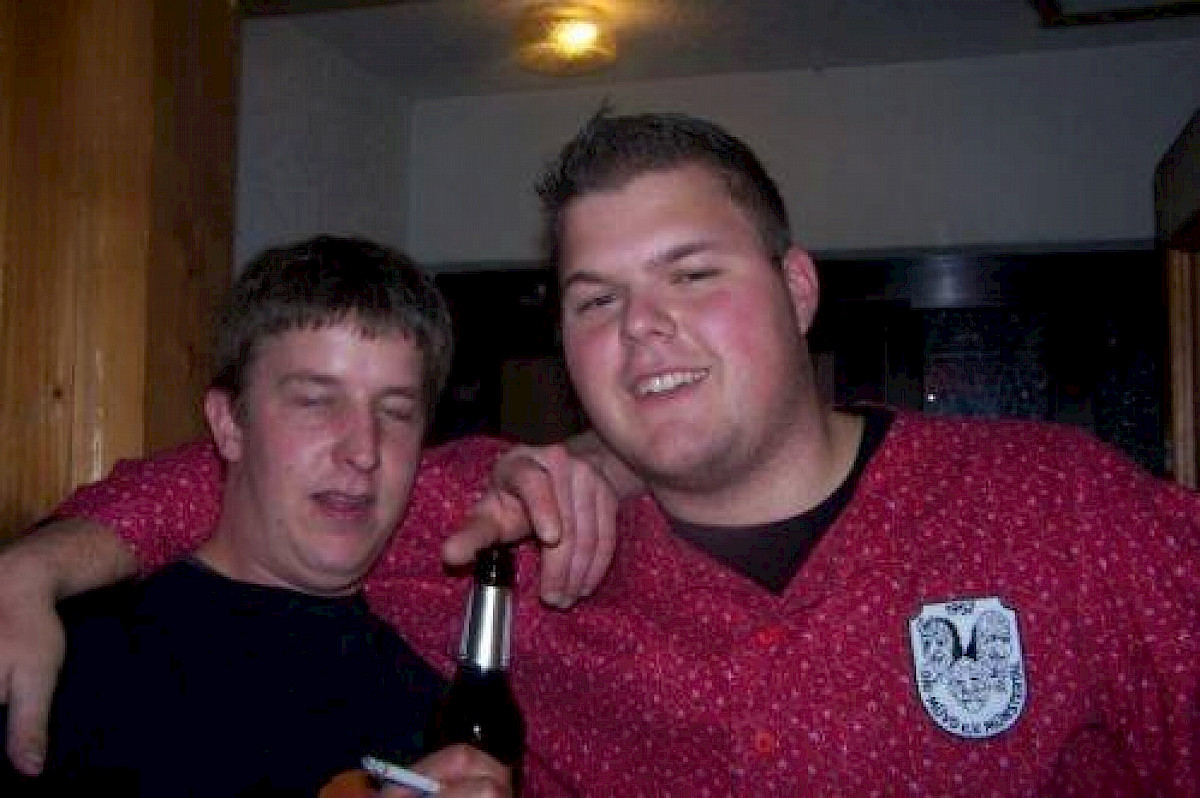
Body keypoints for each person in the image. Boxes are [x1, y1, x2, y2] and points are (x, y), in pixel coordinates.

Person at [5, 112, 1200, 795]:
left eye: (692, 274)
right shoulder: (493, 529)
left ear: (797, 289)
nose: (643, 330)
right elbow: (247, 480)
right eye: (596, 299)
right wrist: (40, 564)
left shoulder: (1061, 511)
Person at [0, 236, 515, 796]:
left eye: (396, 412)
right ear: (228, 424)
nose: (364, 451)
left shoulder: (437, 717)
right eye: (316, 401)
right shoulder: (64, 654)